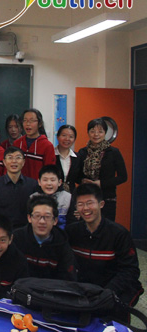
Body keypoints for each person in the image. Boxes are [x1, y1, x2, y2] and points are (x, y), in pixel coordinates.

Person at [66, 184, 143, 318]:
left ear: (101, 204)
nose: (85, 208)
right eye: (80, 204)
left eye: (90, 203)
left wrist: (106, 293)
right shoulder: (71, 232)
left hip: (113, 291)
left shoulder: (119, 234)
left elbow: (130, 270)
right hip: (85, 291)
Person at [12, 195, 76, 280]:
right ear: (29, 218)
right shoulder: (17, 238)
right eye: (37, 216)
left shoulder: (62, 243)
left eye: (47, 217)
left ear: (55, 221)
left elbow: (67, 278)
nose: (42, 221)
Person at [77, 118, 127, 221]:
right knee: (85, 227)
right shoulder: (82, 152)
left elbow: (123, 177)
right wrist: (82, 181)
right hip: (87, 197)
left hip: (107, 198)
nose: (96, 134)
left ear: (105, 133)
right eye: (92, 131)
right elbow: (76, 174)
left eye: (100, 131)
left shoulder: (113, 152)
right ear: (88, 133)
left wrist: (101, 183)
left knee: (106, 227)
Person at [0, 146, 38, 229]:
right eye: (10, 158)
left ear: (23, 162)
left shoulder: (33, 185)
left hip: (26, 230)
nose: (14, 161)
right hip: (2, 230)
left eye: (18, 158)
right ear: (4, 162)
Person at [13, 108, 56, 180]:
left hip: (37, 185)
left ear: (40, 124)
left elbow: (49, 171)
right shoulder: (17, 143)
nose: (28, 124)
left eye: (32, 121)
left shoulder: (47, 146)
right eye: (25, 120)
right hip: (18, 184)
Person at [55, 124, 81, 193]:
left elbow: (79, 178)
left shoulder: (77, 157)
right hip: (52, 193)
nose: (67, 139)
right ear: (57, 137)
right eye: (64, 135)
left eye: (71, 137)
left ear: (74, 139)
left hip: (71, 194)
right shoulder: (50, 155)